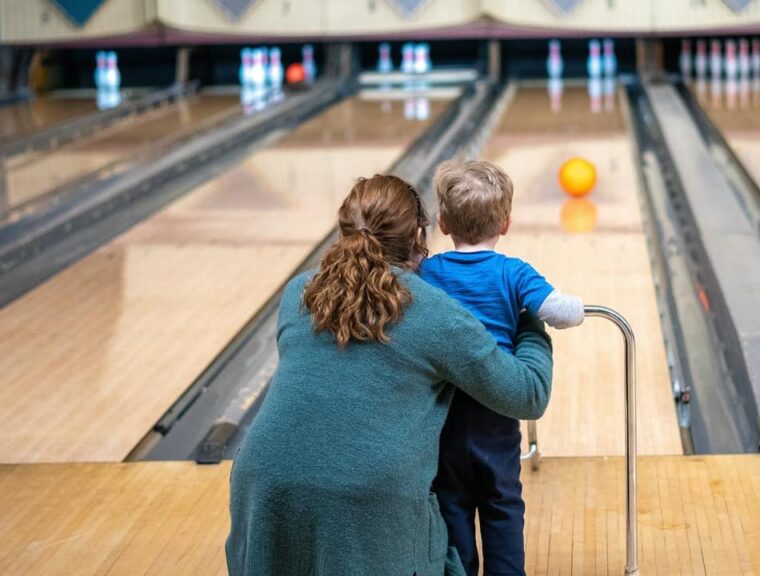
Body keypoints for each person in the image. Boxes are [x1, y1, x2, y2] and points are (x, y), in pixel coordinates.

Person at [225, 174, 554, 576]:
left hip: (263, 489)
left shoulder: (299, 291)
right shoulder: (434, 312)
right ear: (419, 236)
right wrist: (529, 323)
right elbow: (528, 394)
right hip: (369, 501)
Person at [420, 160, 585, 575]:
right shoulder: (513, 273)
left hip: (445, 415)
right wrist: (580, 308)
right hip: (496, 411)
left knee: (451, 502)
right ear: (506, 223)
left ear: (442, 222)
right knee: (502, 503)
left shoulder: (427, 272)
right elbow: (561, 313)